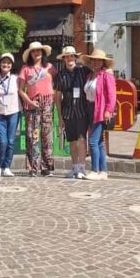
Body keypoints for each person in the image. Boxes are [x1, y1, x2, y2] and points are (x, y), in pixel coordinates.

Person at [18, 41, 57, 177]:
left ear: (43, 52)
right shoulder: (25, 69)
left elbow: (56, 84)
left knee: (47, 135)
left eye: (39, 50)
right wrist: (29, 102)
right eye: (34, 51)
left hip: (47, 104)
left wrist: (52, 97)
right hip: (32, 104)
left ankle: (47, 167)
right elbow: (21, 90)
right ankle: (33, 167)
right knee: (32, 136)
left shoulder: (50, 67)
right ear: (30, 54)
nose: (37, 53)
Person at [54, 46, 91, 179]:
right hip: (68, 111)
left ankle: (82, 167)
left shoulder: (83, 71)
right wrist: (60, 116)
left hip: (82, 110)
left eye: (71, 56)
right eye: (67, 56)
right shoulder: (60, 75)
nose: (69, 58)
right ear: (64, 59)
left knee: (82, 139)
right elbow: (58, 97)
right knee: (72, 141)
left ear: (75, 57)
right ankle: (74, 167)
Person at [82, 49, 116, 181]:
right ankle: (103, 171)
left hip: (100, 109)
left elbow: (112, 95)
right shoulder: (90, 76)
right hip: (90, 108)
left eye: (98, 60)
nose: (96, 62)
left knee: (93, 141)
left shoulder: (106, 76)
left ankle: (94, 170)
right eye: (94, 60)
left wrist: (108, 110)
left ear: (103, 62)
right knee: (100, 142)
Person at [0, 53, 19, 177]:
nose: (6, 65)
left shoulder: (16, 78)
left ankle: (7, 166)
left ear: (12, 65)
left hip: (13, 111)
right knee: (3, 141)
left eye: (8, 63)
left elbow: (22, 92)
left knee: (11, 141)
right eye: (3, 62)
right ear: (0, 63)